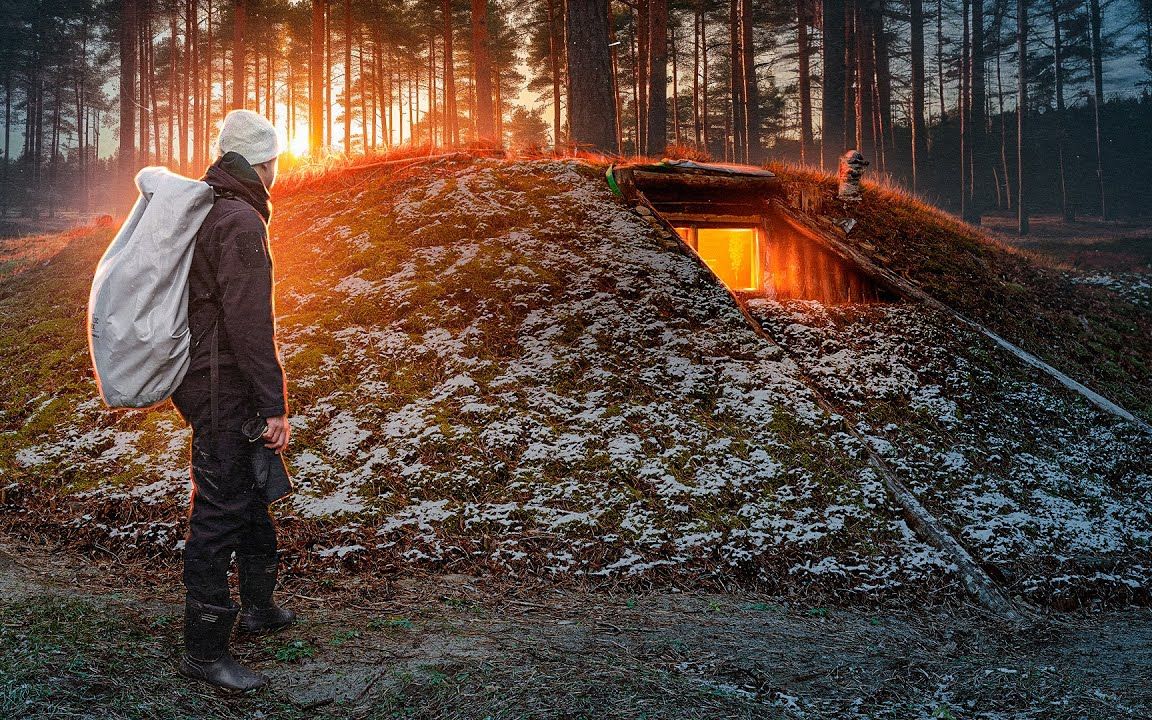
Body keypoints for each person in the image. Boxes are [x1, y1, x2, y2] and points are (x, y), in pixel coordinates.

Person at [171, 109, 294, 691]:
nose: (278, 170)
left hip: (208, 378)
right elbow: (250, 323)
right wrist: (275, 403)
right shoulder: (241, 219)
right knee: (219, 509)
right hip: (224, 384)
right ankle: (204, 653)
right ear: (261, 162)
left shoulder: (210, 208)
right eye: (275, 160)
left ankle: (259, 608)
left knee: (248, 485)